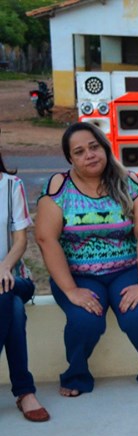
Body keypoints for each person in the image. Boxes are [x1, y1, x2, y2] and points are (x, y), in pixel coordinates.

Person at [35, 122, 138, 396]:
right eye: (79, 151)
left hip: (126, 270)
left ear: (105, 147)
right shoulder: (58, 187)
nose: (89, 154)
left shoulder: (129, 182)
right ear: (70, 159)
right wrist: (71, 290)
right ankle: (76, 375)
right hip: (78, 275)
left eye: (94, 146)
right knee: (85, 320)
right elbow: (45, 239)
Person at [0, 148, 48, 422]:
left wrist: (4, 267)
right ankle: (25, 392)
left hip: (15, 277)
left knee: (8, 292)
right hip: (7, 295)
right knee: (12, 307)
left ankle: (25, 391)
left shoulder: (10, 186)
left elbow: (20, 241)